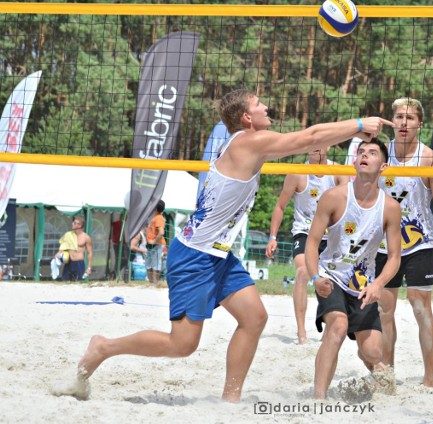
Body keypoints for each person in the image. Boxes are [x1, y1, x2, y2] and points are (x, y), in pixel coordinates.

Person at [67, 89, 393, 402]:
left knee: (254, 319)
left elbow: (310, 138)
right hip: (194, 254)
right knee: (182, 344)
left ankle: (230, 399)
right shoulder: (248, 143)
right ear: (246, 117)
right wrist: (360, 126)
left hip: (219, 255)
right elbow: (309, 137)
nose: (266, 107)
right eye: (259, 104)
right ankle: (104, 347)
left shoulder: (247, 142)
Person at [305, 138, 402, 400]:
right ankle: (319, 398)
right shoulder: (334, 197)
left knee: (372, 352)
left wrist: (378, 284)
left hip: (363, 283)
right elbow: (312, 243)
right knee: (337, 327)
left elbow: (394, 257)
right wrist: (315, 277)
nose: (365, 155)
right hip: (331, 275)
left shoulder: (390, 207)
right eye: (361, 152)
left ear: (383, 166)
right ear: (353, 161)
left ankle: (381, 375)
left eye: (372, 153)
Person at [375, 97, 433, 389]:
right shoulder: (379, 155)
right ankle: (387, 375)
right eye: (398, 117)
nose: (403, 123)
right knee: (384, 309)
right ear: (392, 122)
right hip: (384, 245)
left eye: (409, 118)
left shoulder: (430, 159)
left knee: (420, 306)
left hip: (420, 243)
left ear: (420, 124)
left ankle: (429, 380)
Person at [265, 147, 349, 344]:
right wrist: (272, 236)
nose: (316, 146)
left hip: (331, 234)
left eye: (321, 142)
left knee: (331, 279)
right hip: (305, 232)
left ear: (328, 147)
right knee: (303, 272)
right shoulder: (297, 173)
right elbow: (280, 206)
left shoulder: (339, 171)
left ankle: (330, 326)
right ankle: (301, 332)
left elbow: (348, 203)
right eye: (312, 142)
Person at [53, 216, 93, 281]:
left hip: (79, 263)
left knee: (78, 284)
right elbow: (63, 247)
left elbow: (90, 253)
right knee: (64, 282)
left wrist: (89, 268)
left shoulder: (86, 237)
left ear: (79, 225)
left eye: (74, 223)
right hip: (69, 262)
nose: (72, 224)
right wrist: (57, 255)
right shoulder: (68, 235)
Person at [145, 200, 166, 285]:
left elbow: (161, 232)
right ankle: (151, 283)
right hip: (151, 245)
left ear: (156, 208)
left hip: (157, 244)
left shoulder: (159, 218)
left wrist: (154, 241)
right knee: (149, 264)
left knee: (155, 264)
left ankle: (155, 283)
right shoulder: (154, 217)